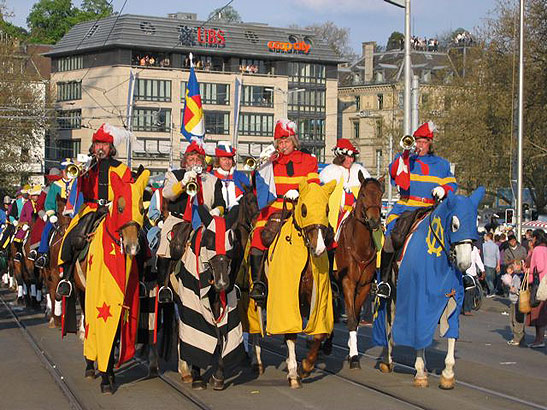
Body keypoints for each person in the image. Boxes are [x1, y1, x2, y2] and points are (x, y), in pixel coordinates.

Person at [377, 121, 457, 298]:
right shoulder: (405, 160)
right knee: (393, 236)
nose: (419, 145)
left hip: (430, 208)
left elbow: (452, 183)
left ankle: (462, 278)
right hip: (407, 206)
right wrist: (405, 154)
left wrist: (444, 189)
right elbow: (394, 172)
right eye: (417, 141)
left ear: (430, 144)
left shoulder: (441, 164)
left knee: (456, 235)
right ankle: (384, 282)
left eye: (423, 142)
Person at [56, 123, 132, 297]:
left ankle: (140, 280)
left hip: (115, 210)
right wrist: (81, 174)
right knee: (72, 237)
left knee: (138, 239)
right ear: (93, 147)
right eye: (97, 144)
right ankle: (66, 278)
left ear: (110, 148)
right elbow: (81, 191)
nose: (101, 148)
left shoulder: (122, 169)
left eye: (104, 144)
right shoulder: (89, 168)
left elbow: (128, 191)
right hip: (91, 208)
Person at [248, 119, 320, 303]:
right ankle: (258, 283)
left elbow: (313, 186)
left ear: (294, 141)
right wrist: (261, 167)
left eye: (286, 141)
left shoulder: (308, 160)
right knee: (258, 236)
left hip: (300, 206)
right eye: (280, 142)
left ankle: (330, 281)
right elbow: (259, 189)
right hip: (276, 206)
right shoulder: (271, 161)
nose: (283, 145)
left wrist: (299, 192)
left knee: (323, 235)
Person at [156, 141, 225, 261]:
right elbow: (167, 194)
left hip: (204, 222)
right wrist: (183, 183)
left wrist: (217, 211)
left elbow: (220, 203)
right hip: (178, 220)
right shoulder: (174, 175)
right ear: (185, 161)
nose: (194, 162)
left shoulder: (213, 180)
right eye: (191, 159)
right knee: (166, 250)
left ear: (203, 162)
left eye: (198, 159)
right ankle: (162, 278)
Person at [319, 138, 371, 240]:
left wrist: (358, 203)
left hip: (357, 212)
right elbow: (323, 196)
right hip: (337, 214)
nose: (350, 160)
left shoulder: (359, 171)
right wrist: (335, 205)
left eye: (352, 157)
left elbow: (368, 193)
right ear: (341, 157)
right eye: (347, 157)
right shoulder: (329, 173)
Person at [35, 162, 73, 269]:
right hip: (58, 215)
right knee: (47, 229)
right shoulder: (55, 185)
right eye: (66, 171)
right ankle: (43, 254)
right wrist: (51, 214)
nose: (69, 173)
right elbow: (49, 202)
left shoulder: (76, 184)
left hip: (73, 215)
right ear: (63, 172)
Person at [212, 141, 250, 211]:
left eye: (229, 159)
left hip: (237, 214)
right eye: (224, 159)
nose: (227, 162)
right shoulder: (212, 176)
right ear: (218, 161)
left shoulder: (240, 176)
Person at [525, 229, 547, 348]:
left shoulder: (538, 250)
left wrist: (531, 272)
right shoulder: (545, 248)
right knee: (542, 312)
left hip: (538, 283)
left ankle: (539, 339)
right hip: (545, 283)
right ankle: (539, 339)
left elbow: (540, 267)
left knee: (538, 312)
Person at [506, 263, 525, 346]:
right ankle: (520, 337)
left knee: (515, 320)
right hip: (514, 301)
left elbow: (517, 290)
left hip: (516, 301)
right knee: (515, 320)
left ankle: (517, 338)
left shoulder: (517, 277)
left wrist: (512, 289)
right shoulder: (515, 276)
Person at [463, 245, 484, 316]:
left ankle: (467, 308)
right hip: (465, 273)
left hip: (473, 273)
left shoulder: (475, 249)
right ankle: (466, 309)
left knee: (472, 292)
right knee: (469, 291)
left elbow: (478, 260)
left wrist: (483, 270)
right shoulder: (463, 247)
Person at [482, 232, 501, 297]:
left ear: (487, 237)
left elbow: (482, 254)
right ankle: (491, 290)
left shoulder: (484, 245)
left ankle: (491, 291)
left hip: (486, 263)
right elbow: (498, 256)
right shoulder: (495, 246)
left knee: (488, 279)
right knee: (492, 278)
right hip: (494, 263)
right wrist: (498, 265)